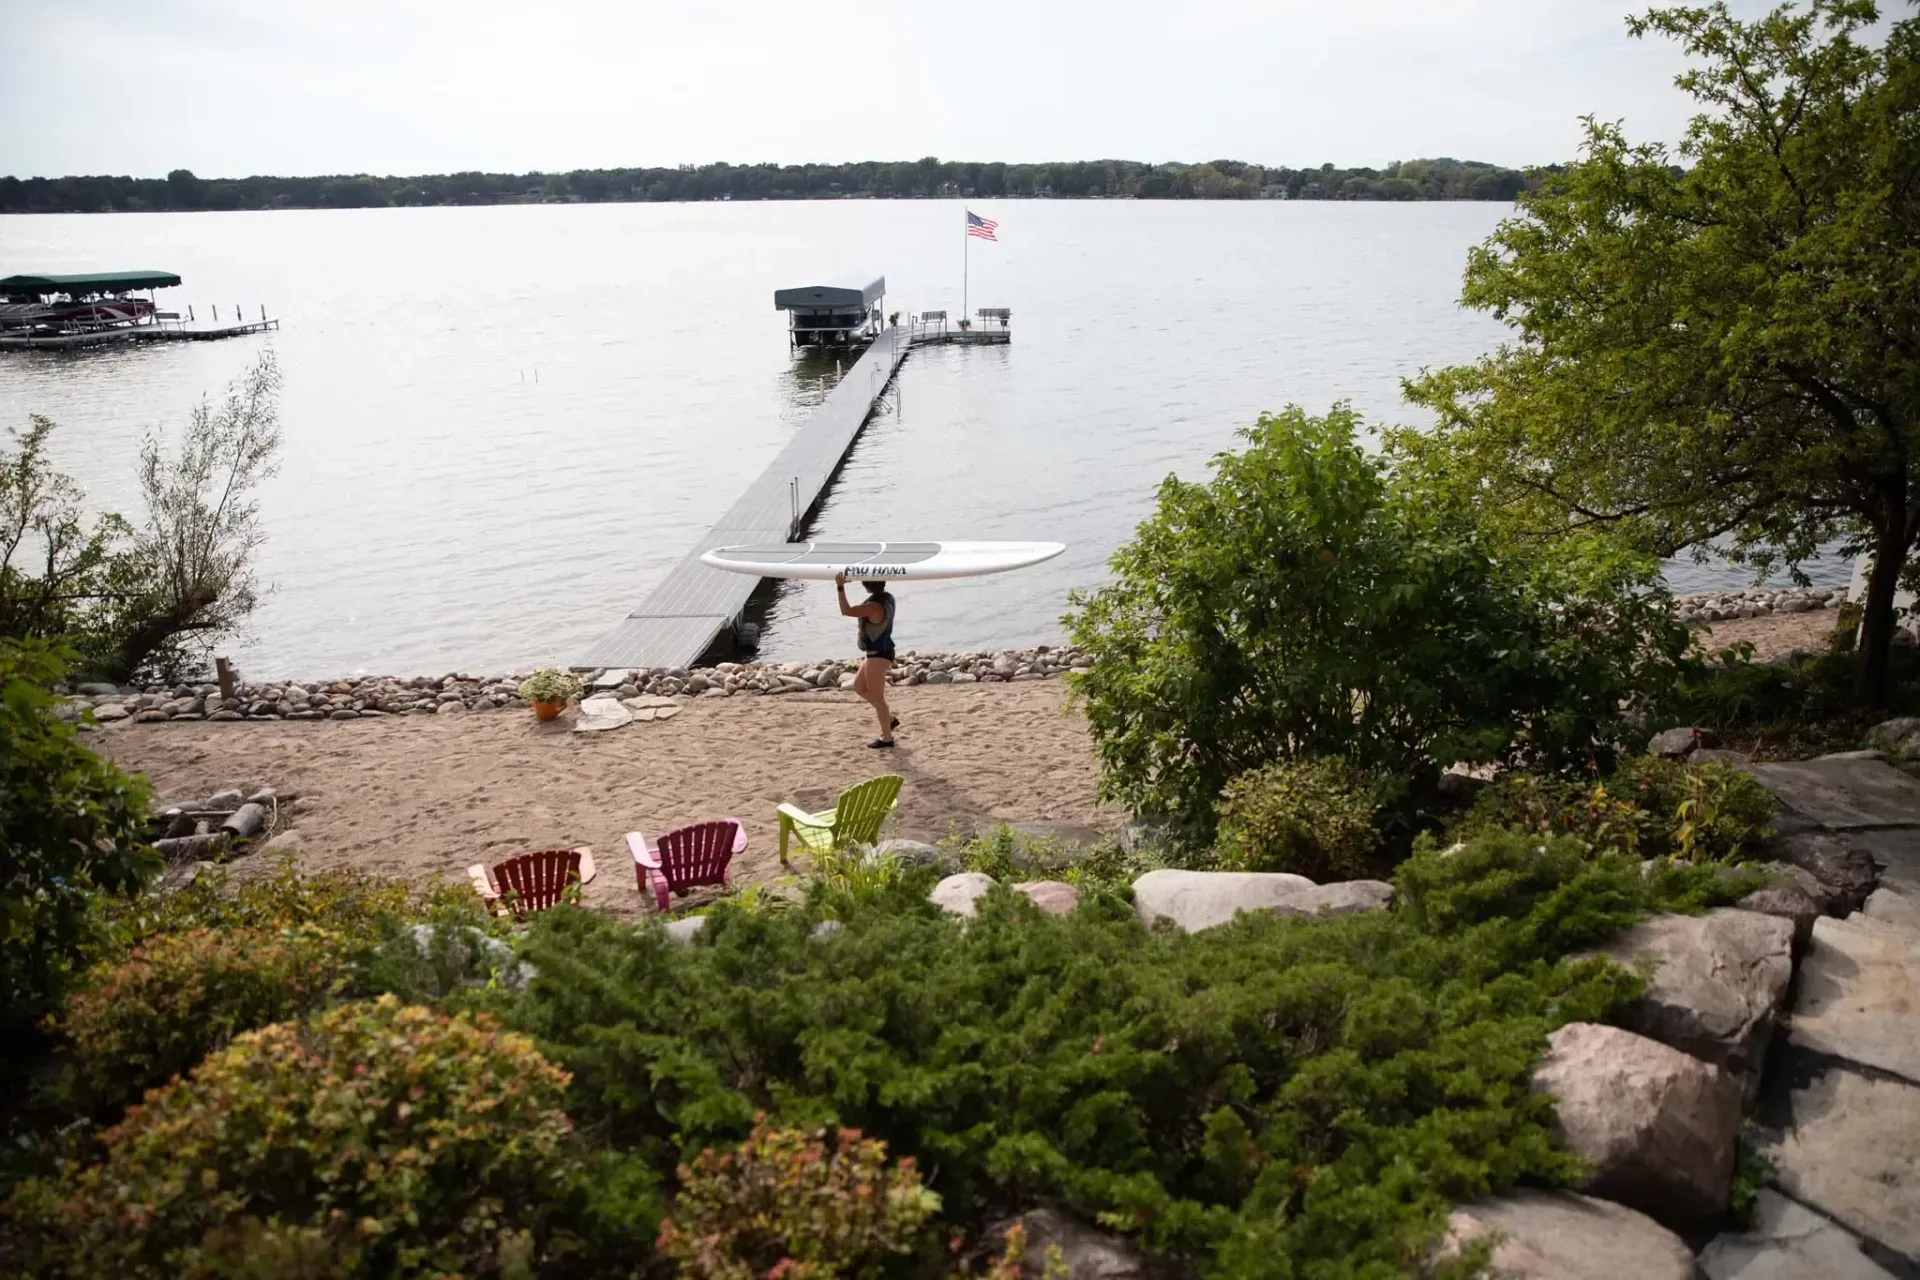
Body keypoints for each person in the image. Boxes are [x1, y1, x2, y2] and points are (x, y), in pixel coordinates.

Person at [836, 571, 899, 748]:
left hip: (879, 654)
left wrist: (840, 587)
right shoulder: (888, 597)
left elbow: (846, 610)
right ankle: (890, 720)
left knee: (878, 699)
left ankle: (887, 738)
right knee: (859, 687)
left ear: (867, 586)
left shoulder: (874, 607)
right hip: (877, 653)